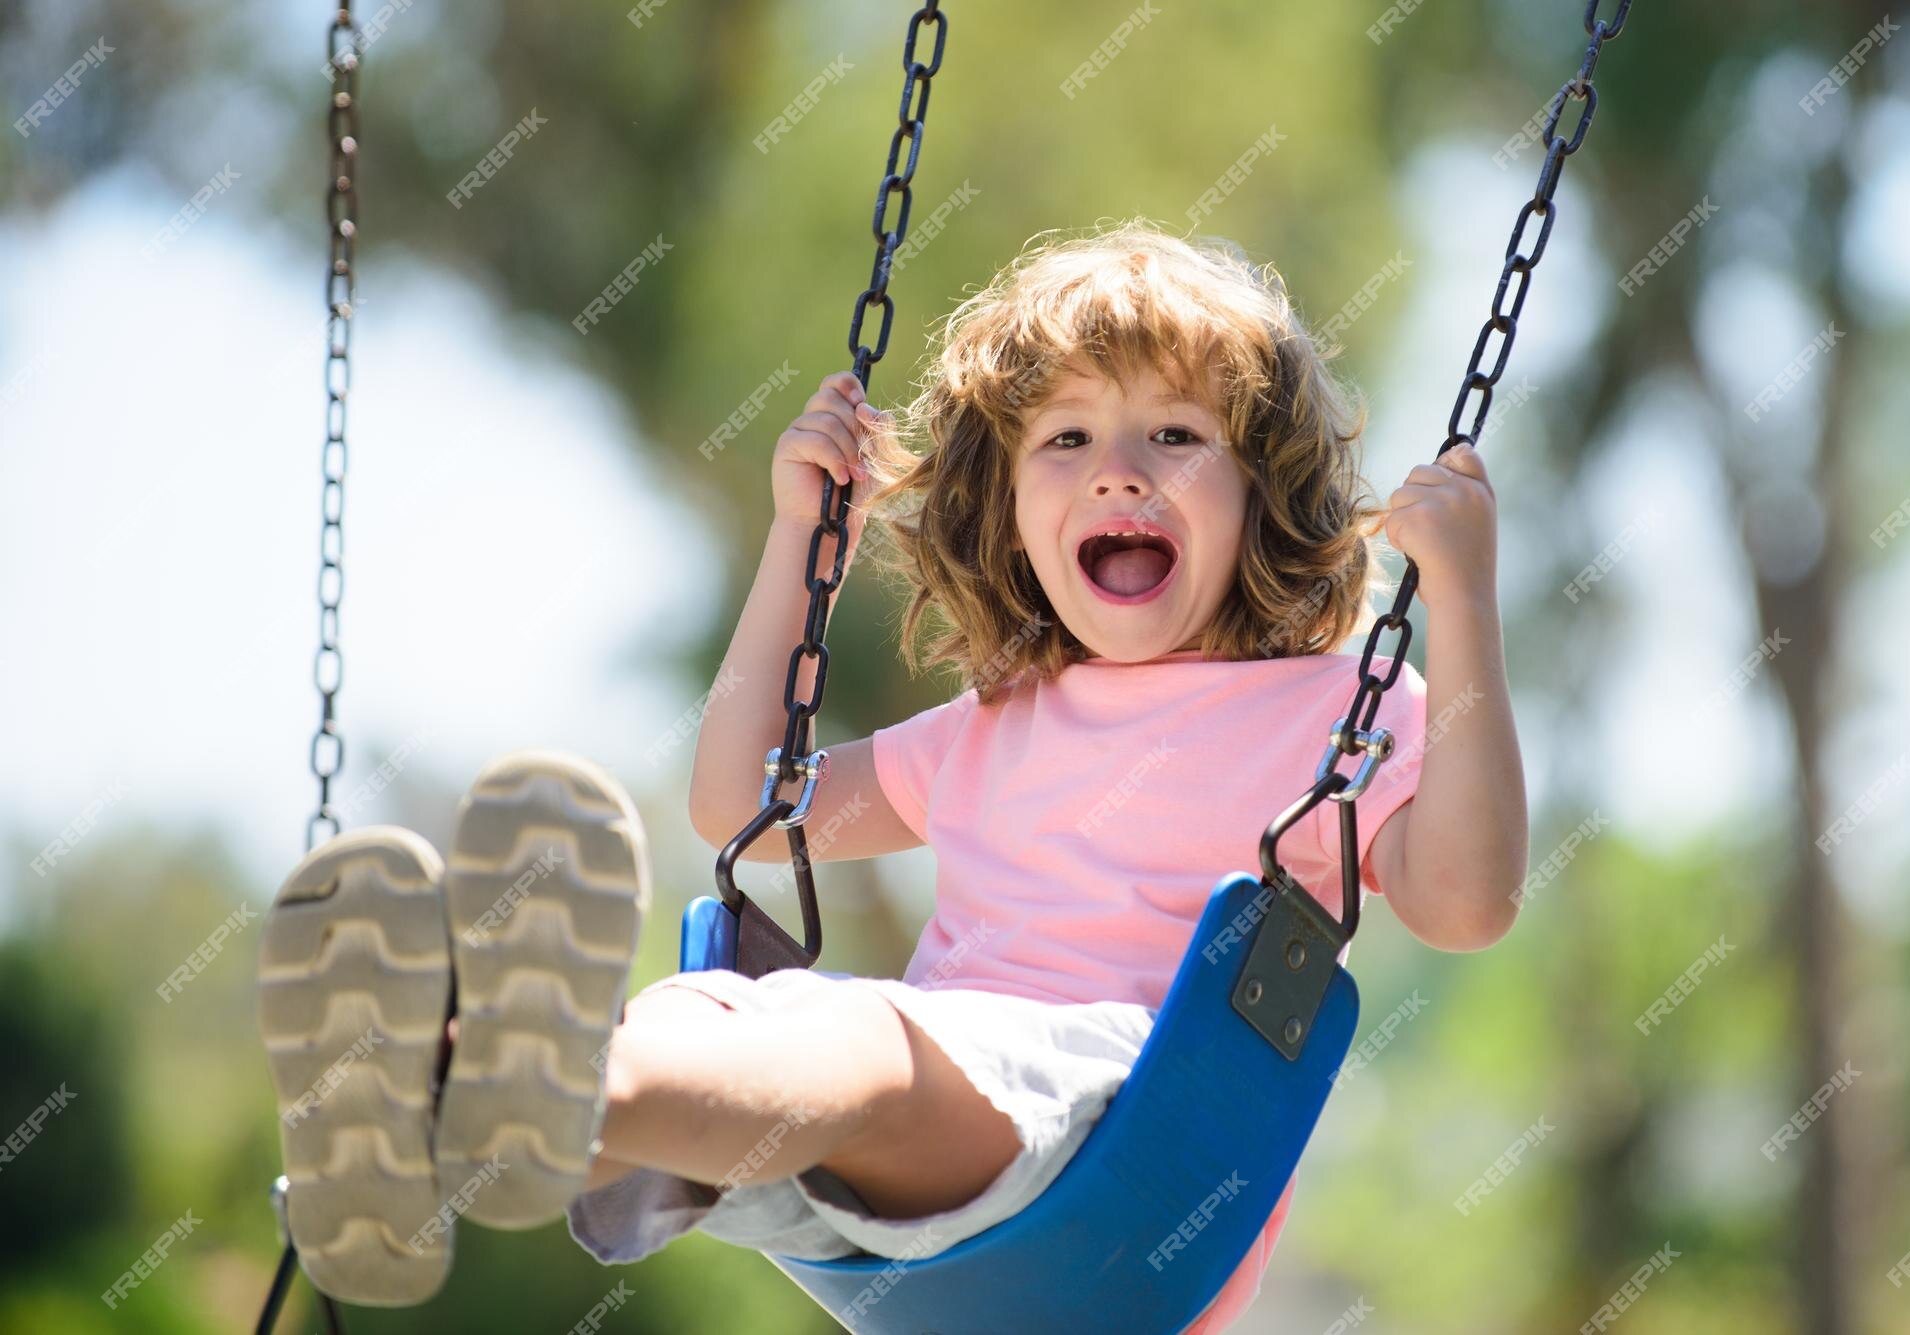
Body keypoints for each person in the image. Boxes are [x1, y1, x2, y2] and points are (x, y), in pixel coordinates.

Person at [257, 217, 1527, 1332]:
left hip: (1129, 1137)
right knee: (731, 1013)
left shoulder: (1329, 711)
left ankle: (535, 1083)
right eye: (1067, 436)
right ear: (1012, 515)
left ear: (1263, 494)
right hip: (896, 1142)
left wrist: (1460, 599)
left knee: (858, 1033)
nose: (1116, 469)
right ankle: (461, 1090)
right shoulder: (991, 728)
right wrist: (801, 535)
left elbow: (1463, 902)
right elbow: (747, 807)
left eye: (1176, 434)